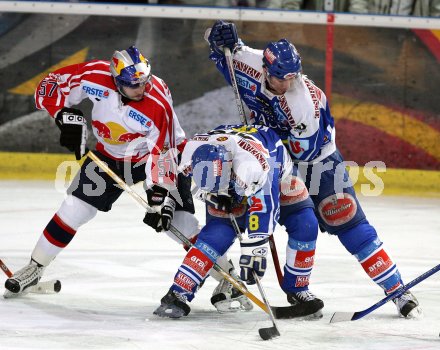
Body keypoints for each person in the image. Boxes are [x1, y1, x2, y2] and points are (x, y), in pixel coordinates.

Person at [205, 20, 422, 318]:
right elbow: (222, 52)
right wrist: (219, 38)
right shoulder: (249, 62)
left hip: (317, 160)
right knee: (262, 217)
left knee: (347, 220)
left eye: (292, 76)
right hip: (271, 154)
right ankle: (264, 286)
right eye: (281, 78)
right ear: (266, 69)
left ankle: (397, 289)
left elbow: (302, 152)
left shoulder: (303, 102)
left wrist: (268, 144)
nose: (287, 83)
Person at [3, 45, 201, 297]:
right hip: (110, 156)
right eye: (133, 84)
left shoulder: (157, 102)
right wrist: (62, 114)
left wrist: (160, 197)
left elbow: (163, 151)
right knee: (74, 208)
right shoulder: (94, 75)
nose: (141, 89)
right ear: (116, 80)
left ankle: (226, 277)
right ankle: (35, 267)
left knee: (178, 224)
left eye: (144, 81)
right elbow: (50, 86)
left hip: (160, 155)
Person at [154, 124, 306, 318]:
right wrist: (164, 202)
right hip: (230, 156)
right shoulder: (190, 152)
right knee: (215, 236)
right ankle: (178, 292)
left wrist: (255, 251)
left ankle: (299, 288)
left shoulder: (253, 165)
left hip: (276, 170)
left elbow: (265, 208)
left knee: (304, 222)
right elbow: (166, 173)